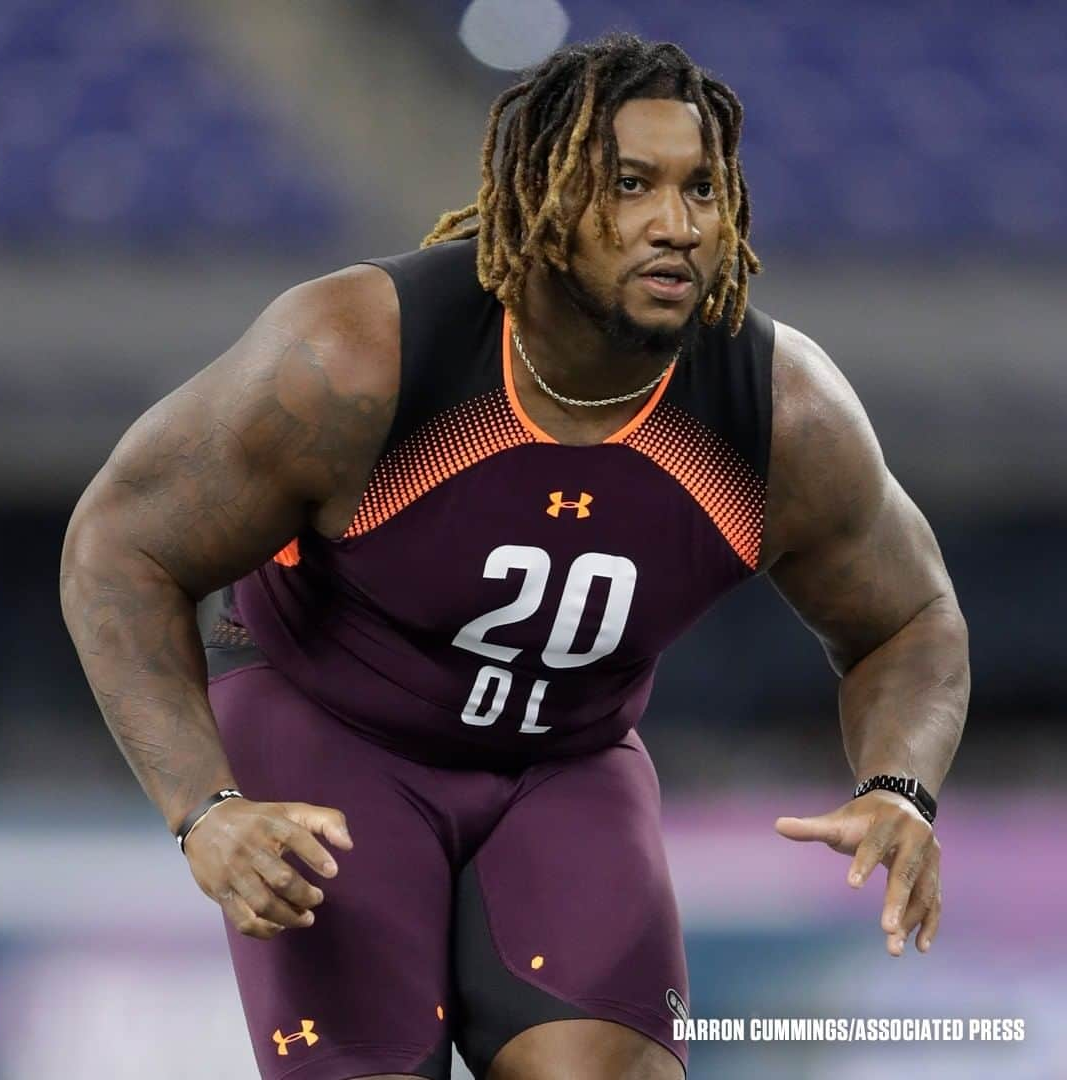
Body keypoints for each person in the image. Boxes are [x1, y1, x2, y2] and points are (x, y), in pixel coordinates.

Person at [60, 33, 968, 1080]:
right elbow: (119, 548)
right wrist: (204, 810)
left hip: (568, 763)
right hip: (330, 742)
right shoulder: (357, 353)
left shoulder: (782, 414)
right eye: (632, 186)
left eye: (704, 189)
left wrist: (901, 785)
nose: (678, 225)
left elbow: (912, 620)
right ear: (542, 200)